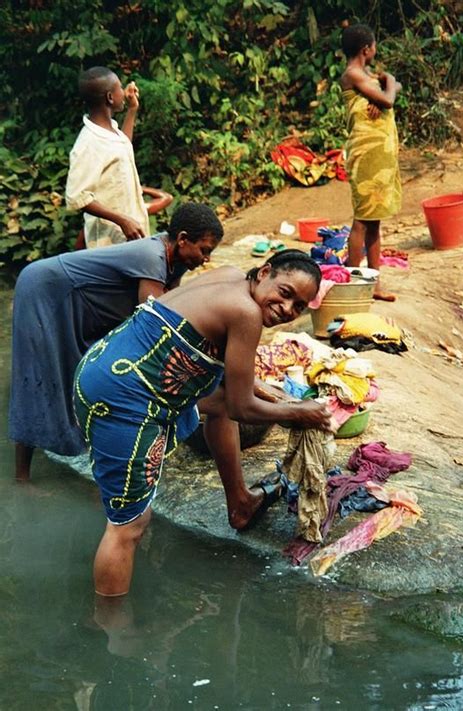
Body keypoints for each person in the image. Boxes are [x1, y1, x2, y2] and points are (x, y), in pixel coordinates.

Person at [73, 249, 336, 597]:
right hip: (124, 396)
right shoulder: (246, 313)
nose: (287, 309)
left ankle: (240, 504)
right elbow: (243, 407)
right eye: (285, 293)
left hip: (103, 368)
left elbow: (228, 386)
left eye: (299, 306)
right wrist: (302, 412)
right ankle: (112, 631)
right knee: (130, 525)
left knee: (219, 405)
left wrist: (269, 392)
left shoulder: (229, 275)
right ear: (265, 273)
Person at [9, 203, 223, 481]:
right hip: (45, 291)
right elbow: (157, 325)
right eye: (204, 250)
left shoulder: (176, 262)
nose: (206, 258)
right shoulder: (152, 256)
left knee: (84, 373)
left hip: (81, 303)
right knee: (38, 379)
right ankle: (21, 479)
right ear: (183, 239)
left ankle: (91, 448)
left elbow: (177, 315)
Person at [66, 66, 173, 248]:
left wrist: (132, 110)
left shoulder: (111, 132)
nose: (124, 93)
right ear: (109, 97)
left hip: (131, 237)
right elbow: (77, 197)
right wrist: (122, 220)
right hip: (109, 243)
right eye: (119, 88)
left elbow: (123, 148)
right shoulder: (89, 143)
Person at [340, 24, 402, 301]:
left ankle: (373, 283)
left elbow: (390, 90)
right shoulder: (354, 74)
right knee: (362, 220)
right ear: (367, 49)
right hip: (366, 153)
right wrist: (386, 87)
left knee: (374, 220)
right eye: (374, 45)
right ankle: (355, 286)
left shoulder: (365, 76)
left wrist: (386, 85)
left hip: (379, 154)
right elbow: (389, 99)